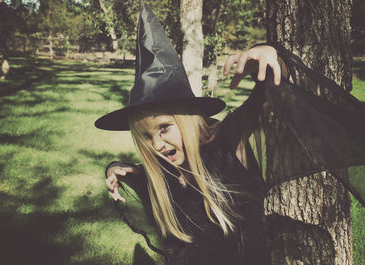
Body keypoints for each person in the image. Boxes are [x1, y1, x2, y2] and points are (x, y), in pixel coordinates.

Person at [96, 4, 365, 265]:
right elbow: (149, 178)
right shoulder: (161, 176)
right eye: (145, 137)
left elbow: (269, 100)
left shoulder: (227, 148)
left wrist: (270, 57)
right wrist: (119, 168)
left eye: (164, 127)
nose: (156, 144)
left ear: (187, 119)